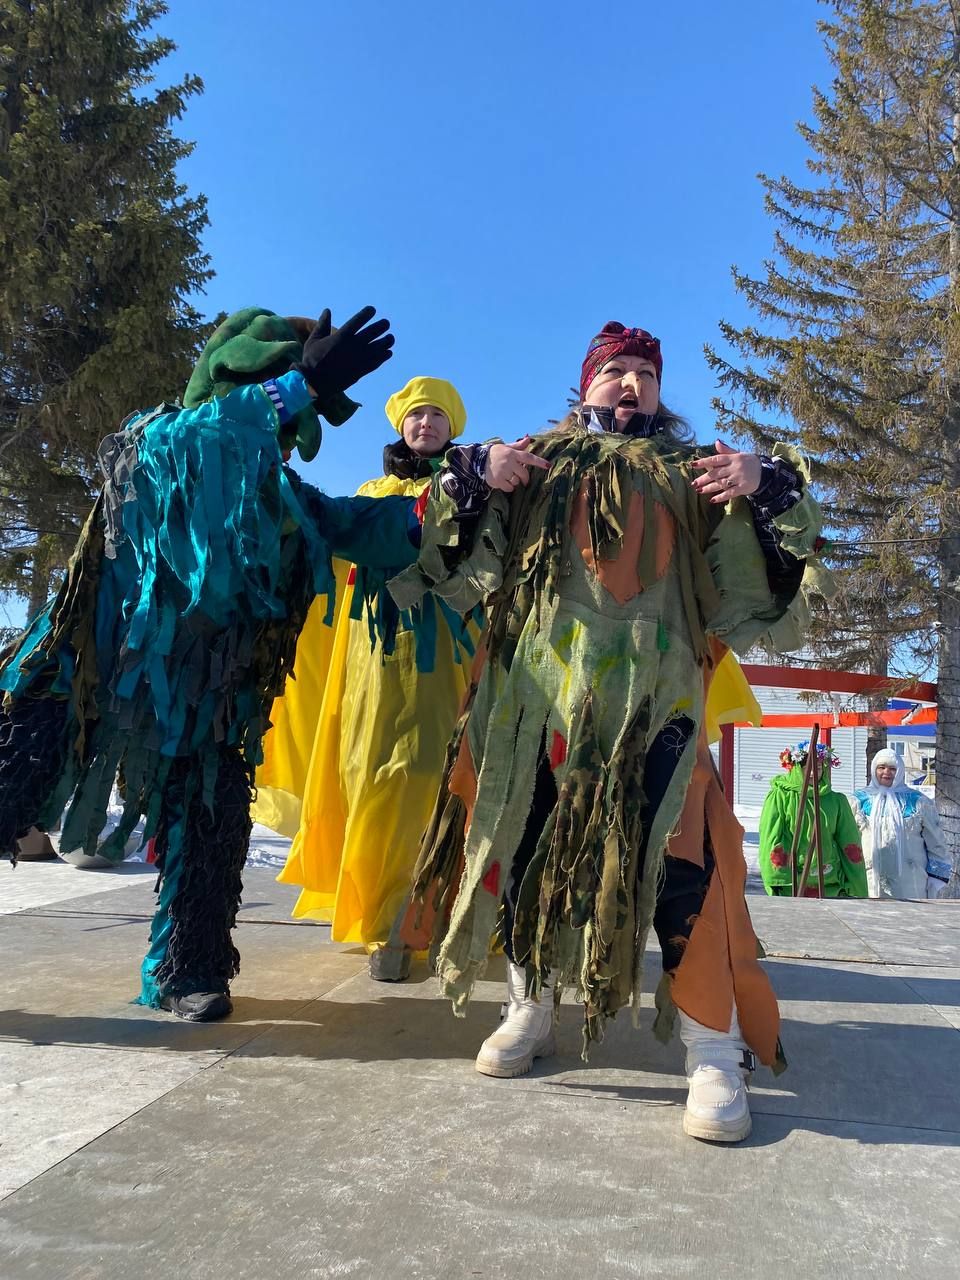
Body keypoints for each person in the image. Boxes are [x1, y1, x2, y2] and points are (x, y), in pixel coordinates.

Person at [390, 321, 830, 1142]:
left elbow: (762, 590)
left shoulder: (694, 475)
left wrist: (765, 487)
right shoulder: (535, 462)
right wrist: (477, 475)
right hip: (541, 701)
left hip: (659, 699)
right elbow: (444, 558)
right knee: (527, 848)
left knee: (683, 862)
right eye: (614, 371)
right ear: (585, 383)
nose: (630, 383)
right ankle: (530, 1005)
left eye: (644, 373)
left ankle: (711, 1047)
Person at [0, 304, 428, 1021]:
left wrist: (458, 496)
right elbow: (205, 445)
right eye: (281, 397)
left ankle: (187, 971)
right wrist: (300, 383)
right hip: (84, 678)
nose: (284, 431)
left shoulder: (282, 494)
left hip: (210, 705)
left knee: (214, 825)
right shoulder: (158, 438)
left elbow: (363, 525)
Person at [266, 377, 480, 980]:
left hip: (446, 652)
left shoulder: (468, 489)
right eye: (416, 415)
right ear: (399, 426)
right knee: (371, 771)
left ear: (454, 427)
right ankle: (382, 912)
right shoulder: (373, 491)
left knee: (437, 771)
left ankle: (432, 913)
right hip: (373, 659)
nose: (426, 423)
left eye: (439, 414)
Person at [758, 741, 867, 898]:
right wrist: (776, 879)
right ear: (796, 768)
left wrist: (857, 884)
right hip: (792, 884)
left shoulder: (836, 801)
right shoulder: (780, 797)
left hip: (830, 883)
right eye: (806, 768)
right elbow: (771, 839)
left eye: (817, 768)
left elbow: (849, 843)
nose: (812, 774)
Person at [853, 747, 950, 899]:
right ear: (874, 769)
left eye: (892, 768)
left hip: (911, 882)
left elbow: (936, 842)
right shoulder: (857, 801)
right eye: (881, 767)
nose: (887, 772)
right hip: (867, 880)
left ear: (900, 771)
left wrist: (936, 879)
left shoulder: (919, 802)